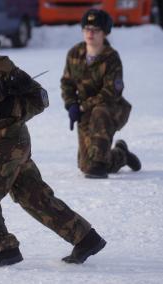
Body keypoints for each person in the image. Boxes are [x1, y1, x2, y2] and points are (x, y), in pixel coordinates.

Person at [0, 18, 106, 269]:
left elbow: (41, 100)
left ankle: (1, 247)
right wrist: (0, 91)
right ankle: (85, 238)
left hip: (10, 141)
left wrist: (17, 97)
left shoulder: (8, 71)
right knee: (33, 196)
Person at [61, 9, 141, 178]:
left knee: (100, 111)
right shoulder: (75, 54)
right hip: (85, 112)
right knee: (85, 164)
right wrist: (71, 104)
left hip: (113, 109)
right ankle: (121, 155)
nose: (90, 33)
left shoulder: (111, 57)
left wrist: (83, 106)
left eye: (96, 30)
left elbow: (111, 92)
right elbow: (67, 83)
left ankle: (99, 164)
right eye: (87, 29)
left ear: (105, 33)